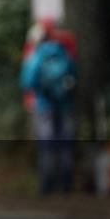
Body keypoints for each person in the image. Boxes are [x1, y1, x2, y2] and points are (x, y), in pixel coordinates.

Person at [20, 20, 78, 194]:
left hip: (44, 106)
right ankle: (66, 185)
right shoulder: (63, 52)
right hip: (65, 105)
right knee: (65, 145)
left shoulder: (36, 55)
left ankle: (47, 186)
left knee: (47, 146)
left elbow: (27, 82)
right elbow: (75, 75)